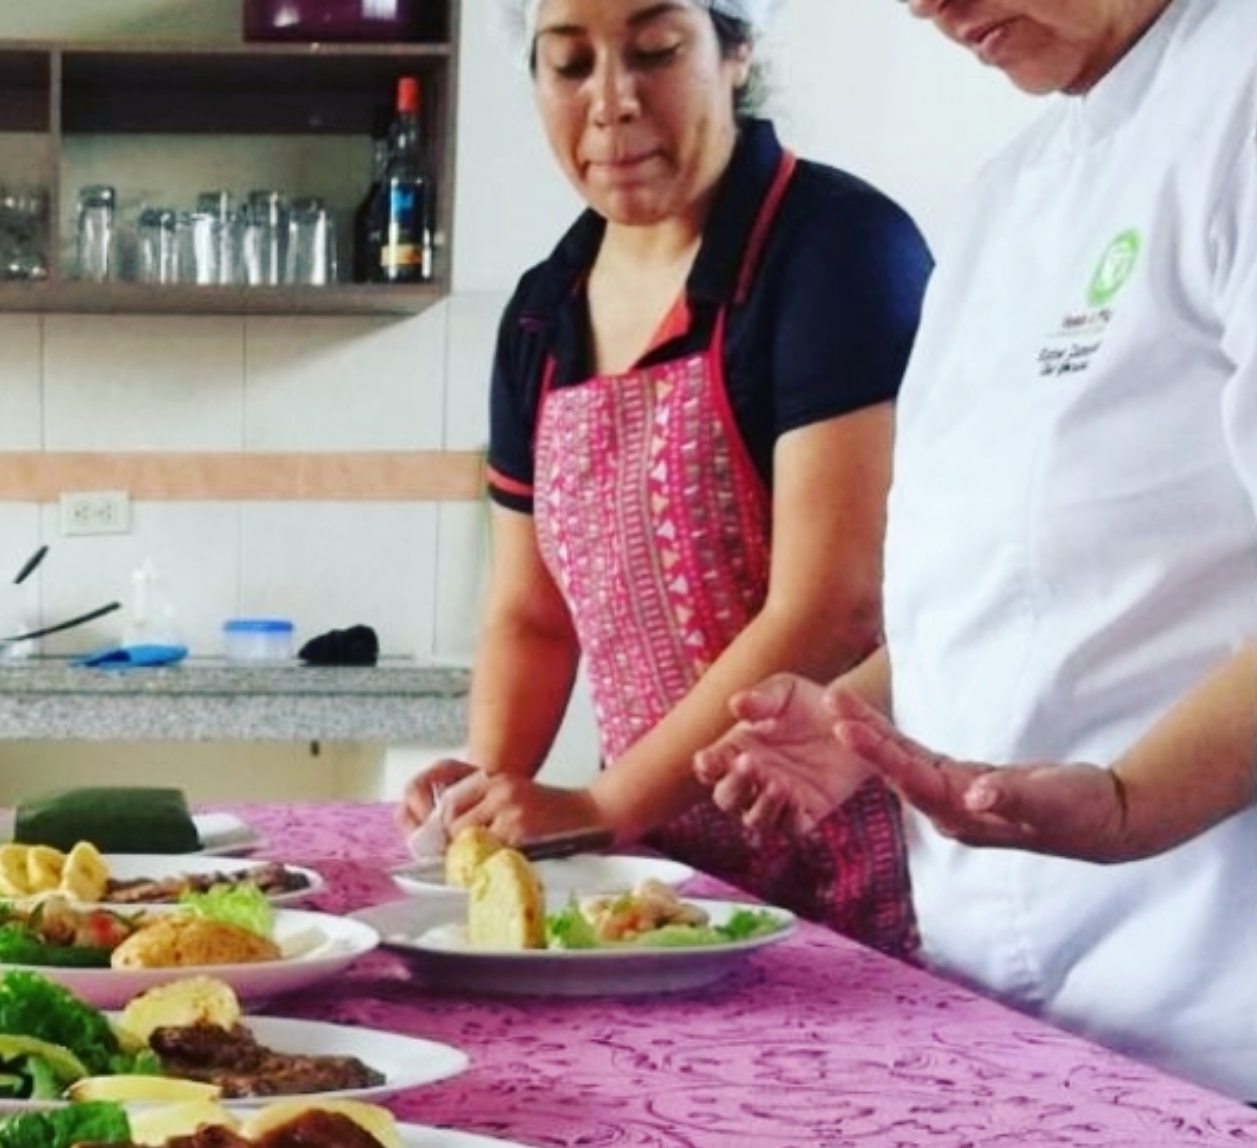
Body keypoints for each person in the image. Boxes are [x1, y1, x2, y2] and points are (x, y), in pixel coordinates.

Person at [702, 0, 1257, 1148]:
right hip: (996, 992)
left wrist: (1130, 803)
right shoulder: (1004, 193)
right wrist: (862, 715)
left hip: (1215, 1001)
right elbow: (999, 568)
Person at [398, 0, 929, 955]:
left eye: (653, 51)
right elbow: (531, 613)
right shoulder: (542, 313)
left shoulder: (834, 250)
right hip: (662, 889)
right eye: (569, 64)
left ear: (737, 49)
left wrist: (603, 804)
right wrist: (486, 795)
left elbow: (834, 606)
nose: (611, 102)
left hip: (859, 867)